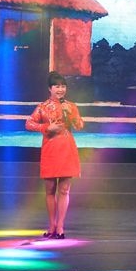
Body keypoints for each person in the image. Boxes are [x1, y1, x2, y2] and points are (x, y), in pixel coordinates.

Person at [25, 71, 84, 240]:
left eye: (63, 86)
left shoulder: (71, 106)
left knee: (64, 190)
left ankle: (60, 226)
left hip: (67, 149)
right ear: (50, 89)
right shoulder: (43, 107)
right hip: (50, 150)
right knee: (50, 189)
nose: (60, 89)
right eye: (57, 86)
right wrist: (46, 128)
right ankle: (51, 225)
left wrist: (70, 114)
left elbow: (79, 126)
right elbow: (28, 123)